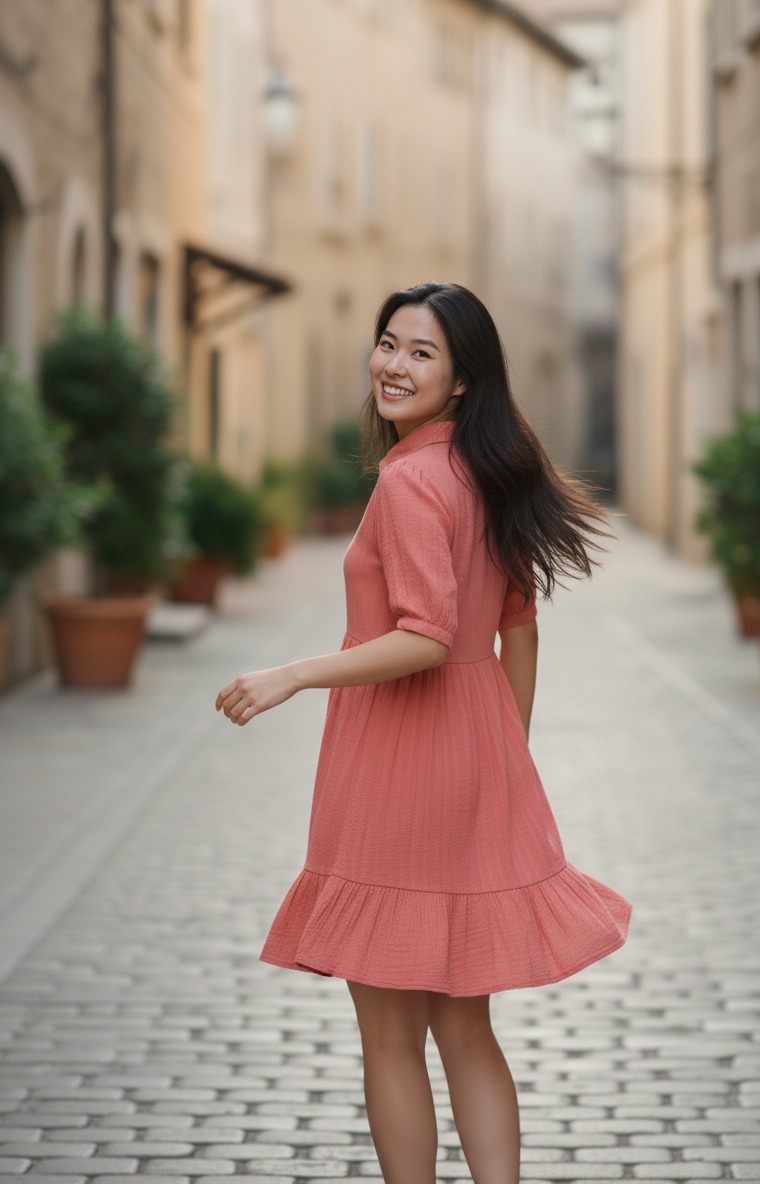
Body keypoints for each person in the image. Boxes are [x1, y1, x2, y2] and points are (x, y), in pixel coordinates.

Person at [216, 281, 632, 1184]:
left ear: (460, 381)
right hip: (472, 761)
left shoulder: (411, 482)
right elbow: (516, 626)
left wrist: (291, 673)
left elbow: (423, 637)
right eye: (388, 344)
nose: (394, 365)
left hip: (395, 772)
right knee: (465, 1025)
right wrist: (502, 756)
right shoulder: (488, 474)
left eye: (421, 353)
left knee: (393, 1035)